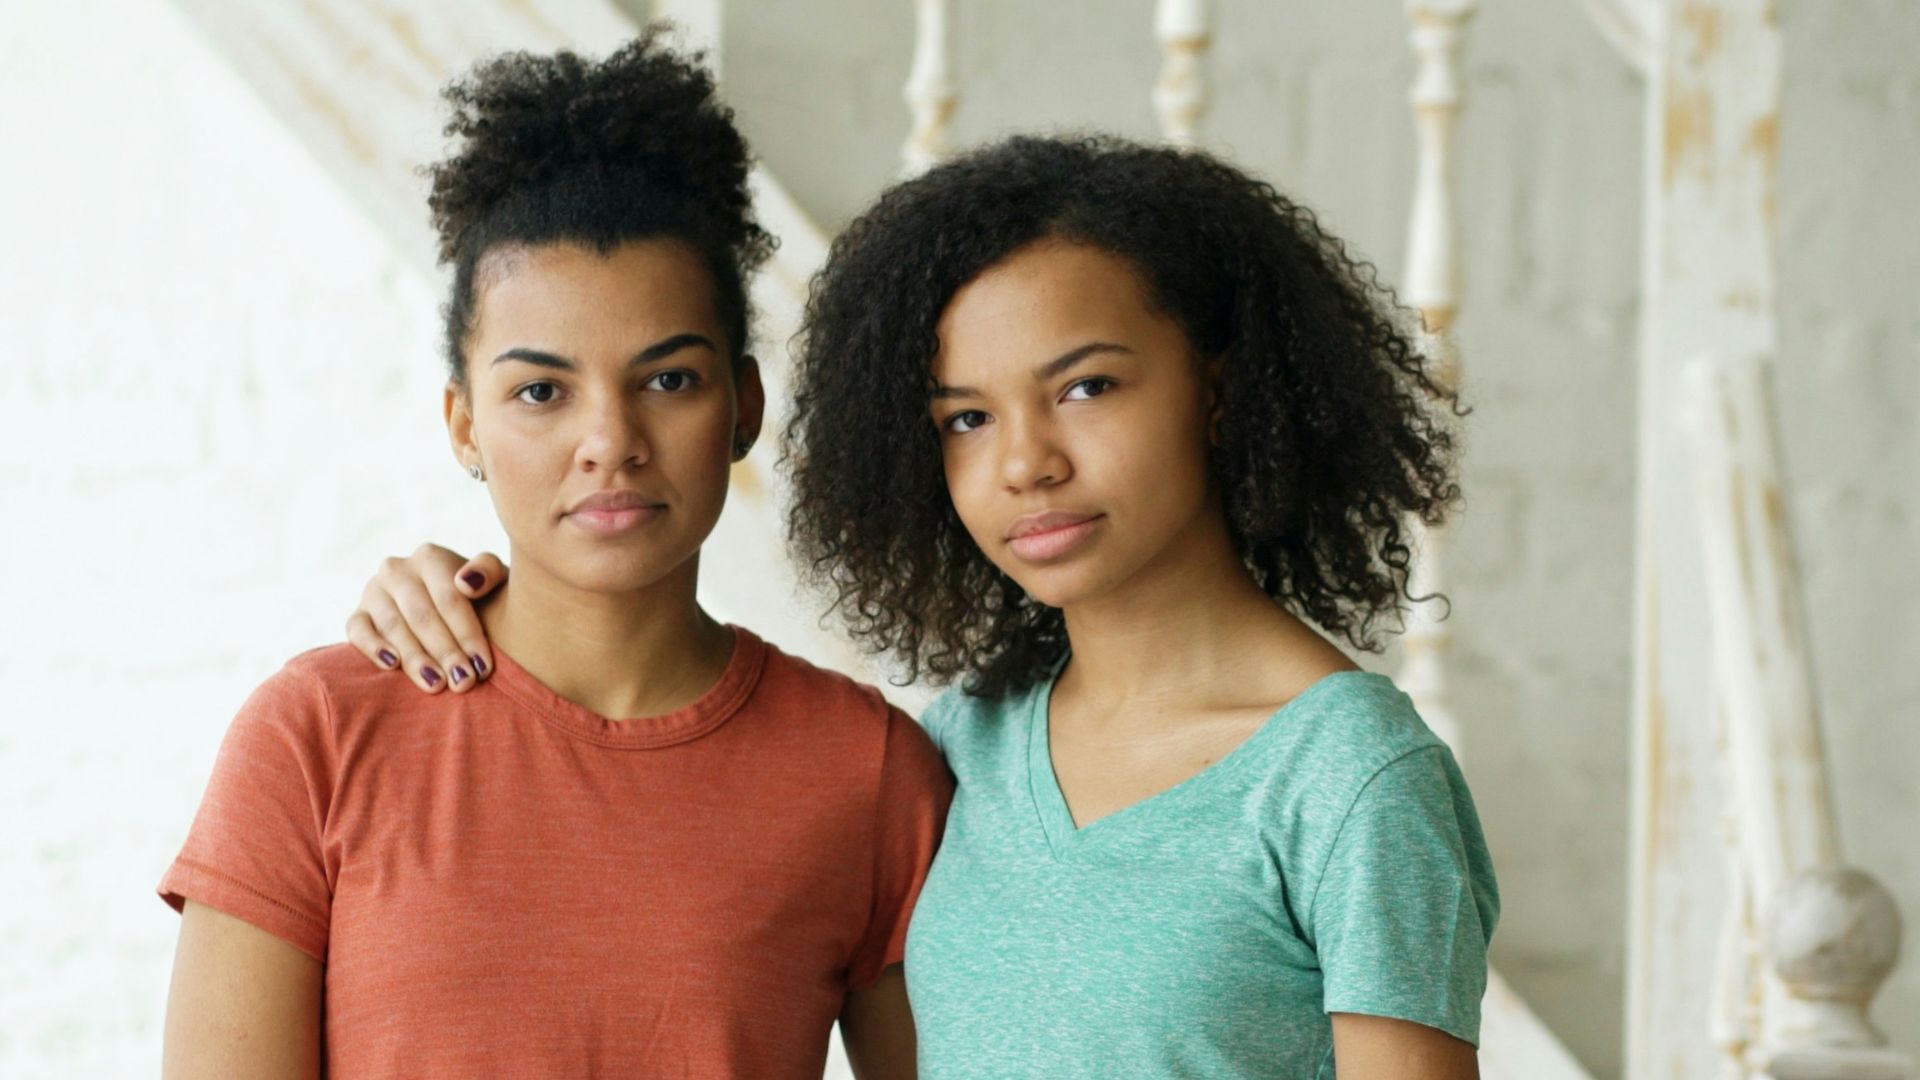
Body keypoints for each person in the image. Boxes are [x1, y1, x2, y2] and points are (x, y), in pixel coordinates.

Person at [351, 135, 1499, 1079]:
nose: (1025, 464)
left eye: (1086, 387)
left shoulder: (1351, 781)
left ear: (1221, 388)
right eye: (967, 418)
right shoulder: (968, 744)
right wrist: (453, 596)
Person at [158, 34, 947, 1079]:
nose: (609, 439)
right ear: (464, 424)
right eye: (541, 391)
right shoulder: (317, 737)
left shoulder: (867, 772)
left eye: (669, 380)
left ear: (744, 405)